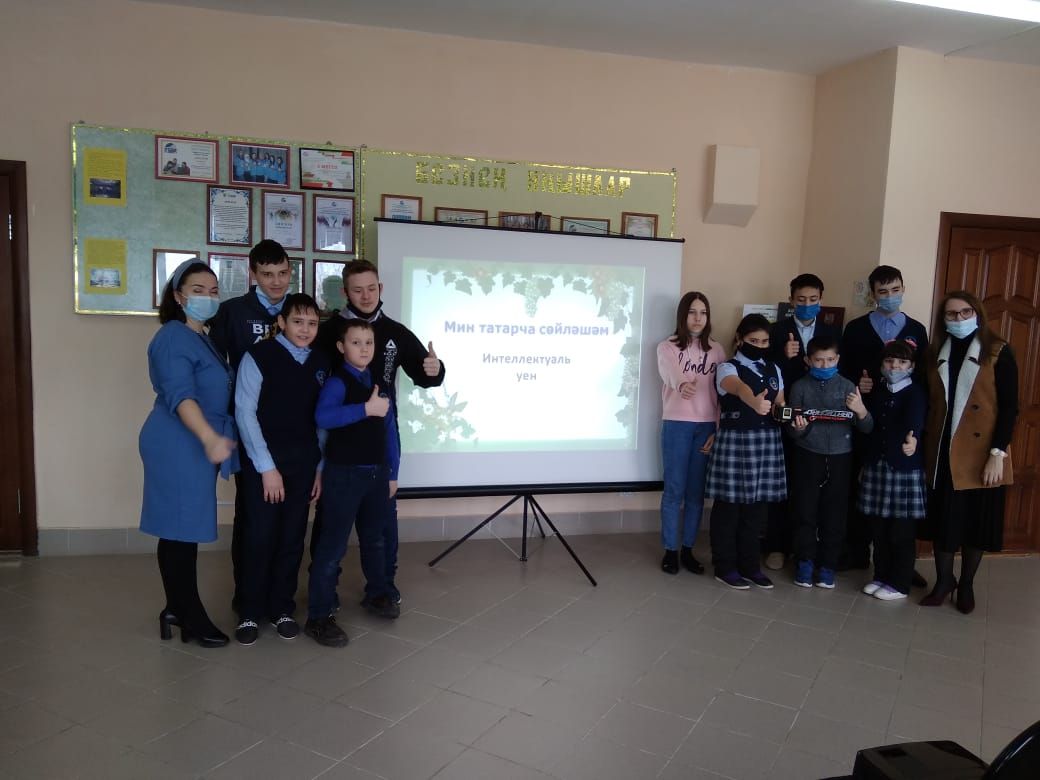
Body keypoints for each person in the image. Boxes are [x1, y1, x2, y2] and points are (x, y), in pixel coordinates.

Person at [313, 259, 445, 605]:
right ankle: (325, 595)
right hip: (337, 445)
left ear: (380, 288)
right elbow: (315, 395)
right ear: (346, 293)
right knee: (331, 526)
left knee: (382, 527)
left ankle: (383, 589)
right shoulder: (328, 332)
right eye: (358, 290)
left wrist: (435, 369)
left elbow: (425, 372)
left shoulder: (395, 332)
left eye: (372, 288)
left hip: (380, 438)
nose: (366, 295)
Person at [140, 259, 237, 648]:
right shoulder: (172, 337)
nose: (207, 297)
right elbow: (181, 395)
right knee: (180, 530)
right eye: (198, 290)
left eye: (214, 291)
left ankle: (176, 608)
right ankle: (189, 615)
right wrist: (209, 437)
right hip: (180, 441)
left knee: (181, 530)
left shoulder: (202, 336)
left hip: (194, 441)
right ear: (179, 296)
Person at [232, 294, 329, 645]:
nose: (305, 330)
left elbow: (322, 422)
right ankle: (249, 610)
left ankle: (281, 608)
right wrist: (267, 468)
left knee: (291, 538)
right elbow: (245, 412)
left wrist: (319, 468)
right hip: (263, 466)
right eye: (298, 322)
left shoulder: (321, 362)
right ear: (282, 322)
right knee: (259, 537)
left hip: (303, 465)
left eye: (312, 323)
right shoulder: (258, 356)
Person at [919, 290, 1019, 614]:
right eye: (952, 314)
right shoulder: (934, 352)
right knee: (943, 521)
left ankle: (967, 584)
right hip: (942, 449)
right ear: (943, 319)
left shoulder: (998, 351)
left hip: (983, 452)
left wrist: (997, 454)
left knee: (977, 521)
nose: (959, 319)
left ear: (977, 314)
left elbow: (1009, 408)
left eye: (965, 312)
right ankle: (944, 581)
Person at [209, 239, 292, 612]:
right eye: (267, 274)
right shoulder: (233, 312)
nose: (276, 282)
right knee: (252, 518)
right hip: (248, 429)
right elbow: (216, 369)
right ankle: (247, 598)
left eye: (282, 273)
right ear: (253, 274)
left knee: (287, 520)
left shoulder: (298, 309)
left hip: (292, 431)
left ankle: (279, 597)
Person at [307, 318, 401, 647]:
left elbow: (389, 430)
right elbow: (323, 417)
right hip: (344, 476)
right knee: (332, 547)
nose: (363, 349)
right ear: (341, 346)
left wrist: (393, 472)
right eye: (356, 342)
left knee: (375, 540)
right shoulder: (337, 382)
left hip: (377, 475)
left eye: (369, 343)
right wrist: (365, 408)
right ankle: (319, 616)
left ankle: (378, 593)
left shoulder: (379, 381)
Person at [839, 265, 929, 576]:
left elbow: (922, 375)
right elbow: (843, 370)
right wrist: (858, 384)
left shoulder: (916, 329)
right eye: (882, 292)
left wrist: (915, 428)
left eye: (895, 290)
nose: (890, 296)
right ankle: (858, 552)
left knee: (900, 502)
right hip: (866, 415)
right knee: (862, 487)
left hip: (901, 419)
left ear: (903, 289)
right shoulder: (856, 328)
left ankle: (900, 566)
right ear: (873, 294)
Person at [763, 273, 842, 571]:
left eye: (813, 299)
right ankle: (776, 545)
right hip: (786, 414)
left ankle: (805, 550)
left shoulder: (833, 332)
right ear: (791, 300)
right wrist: (783, 356)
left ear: (821, 299)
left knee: (809, 489)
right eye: (801, 299)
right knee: (782, 482)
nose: (807, 304)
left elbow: (838, 371)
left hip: (822, 421)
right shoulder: (776, 331)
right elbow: (765, 372)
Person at [705, 314, 787, 590]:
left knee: (756, 509)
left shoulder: (774, 369)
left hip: (767, 441)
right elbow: (738, 388)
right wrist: (754, 402)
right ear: (739, 339)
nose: (760, 345)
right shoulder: (728, 368)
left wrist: (788, 415)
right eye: (754, 340)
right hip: (736, 440)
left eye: (764, 341)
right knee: (729, 508)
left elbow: (780, 402)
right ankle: (725, 567)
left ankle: (751, 567)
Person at [787, 335, 873, 589]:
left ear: (838, 359)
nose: (824, 365)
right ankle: (804, 562)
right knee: (805, 511)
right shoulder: (799, 387)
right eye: (818, 360)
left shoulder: (848, 386)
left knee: (834, 515)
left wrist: (861, 410)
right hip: (807, 455)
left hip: (840, 458)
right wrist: (798, 428)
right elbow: (792, 430)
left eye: (830, 360)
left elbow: (867, 427)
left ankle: (827, 566)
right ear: (807, 360)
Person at [656, 291, 726, 575]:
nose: (698, 318)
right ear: (683, 315)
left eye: (703, 313)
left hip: (706, 427)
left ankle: (687, 549)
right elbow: (671, 371)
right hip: (677, 424)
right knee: (674, 489)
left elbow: (722, 392)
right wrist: (683, 384)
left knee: (696, 493)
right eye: (692, 312)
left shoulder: (717, 350)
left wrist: (717, 429)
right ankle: (670, 550)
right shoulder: (667, 347)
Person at [859, 341, 927, 600]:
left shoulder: (915, 392)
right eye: (889, 361)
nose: (895, 366)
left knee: (901, 532)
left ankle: (899, 583)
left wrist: (913, 440)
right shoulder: (878, 391)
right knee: (878, 529)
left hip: (903, 468)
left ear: (912, 366)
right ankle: (881, 576)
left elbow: (915, 422)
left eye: (902, 362)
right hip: (877, 466)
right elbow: (869, 426)